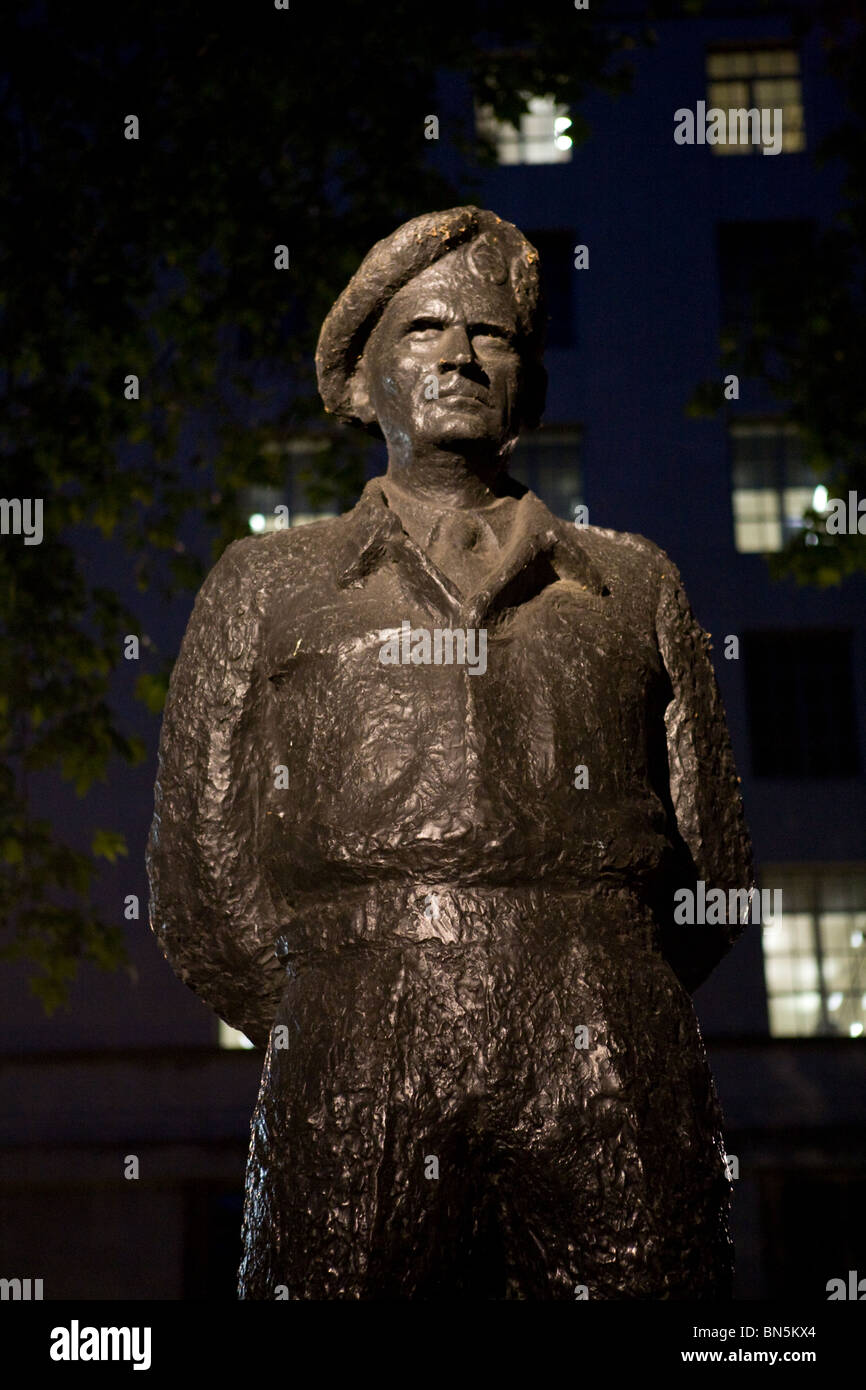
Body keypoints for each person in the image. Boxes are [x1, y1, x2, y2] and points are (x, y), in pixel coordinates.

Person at [147, 206, 754, 1299]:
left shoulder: (632, 583)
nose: (461, 355)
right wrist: (334, 1004)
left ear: (529, 374)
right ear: (366, 373)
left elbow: (708, 867)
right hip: (355, 1042)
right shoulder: (266, 581)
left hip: (605, 1041)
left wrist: (594, 966)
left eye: (494, 334)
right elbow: (200, 875)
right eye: (425, 329)